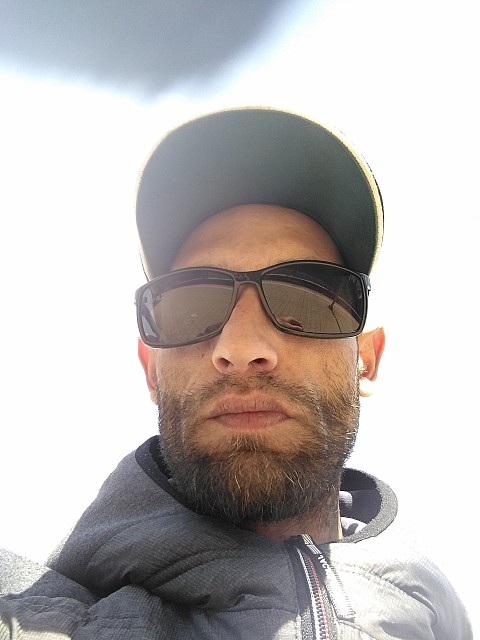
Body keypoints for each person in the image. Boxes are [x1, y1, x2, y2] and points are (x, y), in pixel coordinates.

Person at [0, 107, 471, 639]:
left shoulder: (438, 619)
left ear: (366, 360)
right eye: (190, 305)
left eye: (305, 299)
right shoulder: (37, 621)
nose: (241, 349)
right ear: (151, 371)